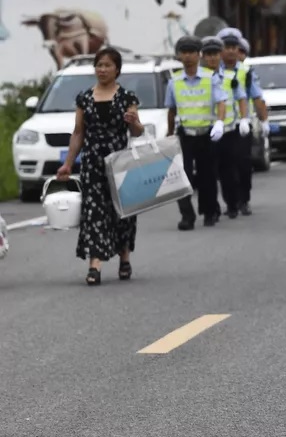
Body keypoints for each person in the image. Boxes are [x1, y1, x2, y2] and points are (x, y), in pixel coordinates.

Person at [55, 47, 144, 285]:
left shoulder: (127, 98)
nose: (102, 70)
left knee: (122, 211)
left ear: (117, 69)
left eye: (107, 65)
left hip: (120, 163)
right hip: (93, 163)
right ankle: (95, 265)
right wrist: (68, 164)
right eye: (99, 65)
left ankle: (124, 258)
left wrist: (135, 122)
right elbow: (78, 133)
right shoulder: (84, 98)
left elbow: (137, 131)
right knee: (94, 212)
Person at [165, 35, 228, 231]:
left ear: (198, 54)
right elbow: (171, 109)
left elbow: (221, 102)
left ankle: (209, 212)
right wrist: (169, 133)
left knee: (207, 176)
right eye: (184, 52)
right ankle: (187, 216)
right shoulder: (174, 81)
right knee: (181, 178)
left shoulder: (210, 77)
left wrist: (219, 122)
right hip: (185, 135)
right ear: (179, 56)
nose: (188, 56)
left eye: (192, 52)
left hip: (206, 134)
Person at [219, 27, 267, 216]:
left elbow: (257, 97)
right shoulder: (213, 71)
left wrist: (264, 121)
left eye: (234, 47)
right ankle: (230, 202)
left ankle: (243, 199)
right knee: (224, 166)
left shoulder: (246, 71)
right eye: (226, 47)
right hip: (221, 125)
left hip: (242, 125)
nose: (231, 51)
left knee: (243, 164)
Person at [200, 36, 247, 219]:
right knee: (208, 173)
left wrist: (244, 119)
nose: (212, 58)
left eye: (215, 54)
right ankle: (212, 209)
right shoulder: (199, 78)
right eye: (208, 55)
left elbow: (241, 98)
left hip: (227, 131)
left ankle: (232, 204)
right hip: (206, 131)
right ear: (203, 56)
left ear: (220, 55)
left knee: (228, 171)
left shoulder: (230, 76)